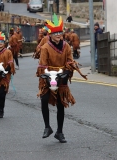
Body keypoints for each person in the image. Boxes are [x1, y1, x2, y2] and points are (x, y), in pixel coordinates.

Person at [36, 14, 87, 143]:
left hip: (62, 77)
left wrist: (67, 70)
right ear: (50, 34)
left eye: (60, 32)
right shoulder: (45, 47)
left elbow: (70, 61)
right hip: (48, 77)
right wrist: (47, 76)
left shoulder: (66, 46)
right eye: (55, 32)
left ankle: (60, 131)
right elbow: (42, 65)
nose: (58, 34)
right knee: (44, 99)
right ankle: (47, 127)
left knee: (60, 104)